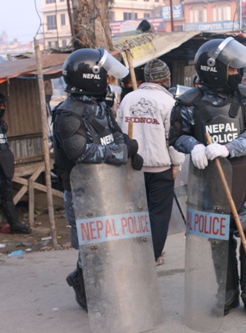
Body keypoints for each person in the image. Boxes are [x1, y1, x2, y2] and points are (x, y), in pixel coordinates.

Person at [169, 37, 246, 319]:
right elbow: (177, 136)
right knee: (219, 237)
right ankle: (226, 291)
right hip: (210, 179)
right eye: (233, 69)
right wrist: (195, 147)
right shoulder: (189, 102)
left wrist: (228, 148)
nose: (238, 73)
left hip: (245, 175)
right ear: (215, 69)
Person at [52, 48, 143, 311]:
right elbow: (80, 152)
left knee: (112, 242)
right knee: (92, 247)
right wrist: (120, 152)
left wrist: (129, 149)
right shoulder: (68, 114)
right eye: (103, 74)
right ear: (90, 76)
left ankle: (107, 288)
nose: (107, 79)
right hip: (81, 191)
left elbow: (113, 135)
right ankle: (84, 283)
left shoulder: (100, 105)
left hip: (107, 185)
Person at [117, 59, 185, 266]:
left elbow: (120, 132)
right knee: (158, 214)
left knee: (136, 211)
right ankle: (153, 254)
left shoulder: (128, 99)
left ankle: (136, 252)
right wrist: (176, 164)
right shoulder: (169, 102)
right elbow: (172, 138)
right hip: (160, 168)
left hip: (132, 166)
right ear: (165, 79)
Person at [0, 94, 32, 235]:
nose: (2, 108)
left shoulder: (2, 124)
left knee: (6, 195)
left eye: (3, 105)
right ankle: (14, 224)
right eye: (0, 105)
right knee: (6, 196)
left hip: (4, 161)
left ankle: (14, 224)